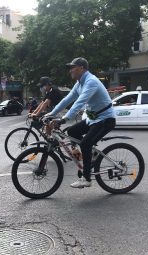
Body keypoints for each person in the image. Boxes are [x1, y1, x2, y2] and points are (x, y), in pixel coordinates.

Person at [46, 57, 116, 189]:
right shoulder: (79, 83)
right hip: (92, 119)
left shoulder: (91, 81)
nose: (70, 71)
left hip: (105, 119)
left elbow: (80, 102)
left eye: (73, 67)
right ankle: (89, 156)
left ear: (82, 68)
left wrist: (65, 118)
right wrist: (51, 114)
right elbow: (67, 99)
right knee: (72, 132)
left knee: (85, 143)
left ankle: (87, 178)